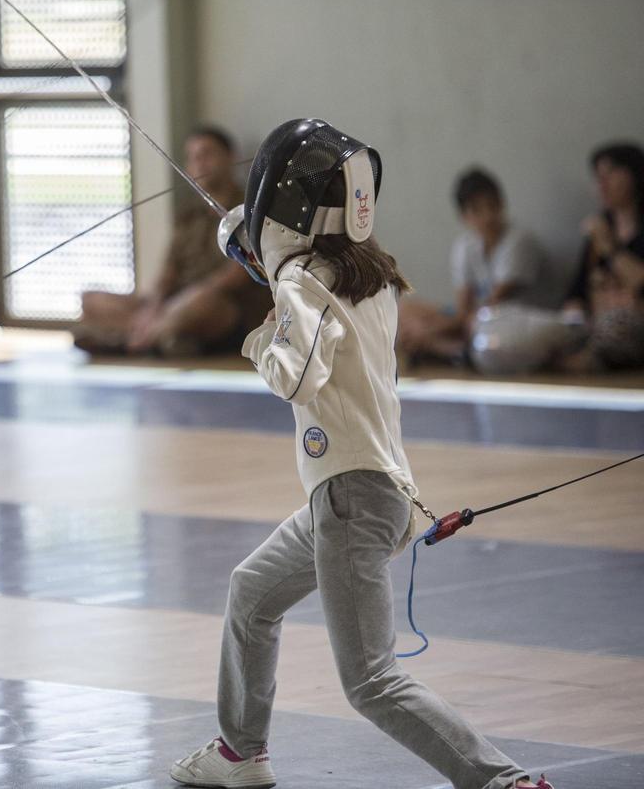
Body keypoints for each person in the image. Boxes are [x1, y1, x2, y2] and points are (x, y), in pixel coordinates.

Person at [169, 119, 554, 789]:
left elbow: (298, 373)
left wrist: (262, 336)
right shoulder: (370, 274)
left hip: (351, 499)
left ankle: (502, 780)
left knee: (371, 678)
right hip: (361, 492)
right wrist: (270, 269)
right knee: (252, 593)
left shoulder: (301, 281)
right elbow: (318, 303)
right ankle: (241, 751)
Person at [74, 126, 272, 357]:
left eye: (207, 154)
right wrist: (154, 306)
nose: (200, 163)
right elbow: (169, 270)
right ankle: (165, 337)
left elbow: (235, 277)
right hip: (175, 302)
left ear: (229, 157)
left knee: (202, 303)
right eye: (193, 157)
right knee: (91, 300)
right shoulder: (188, 214)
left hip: (221, 305)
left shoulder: (250, 210)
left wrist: (180, 303)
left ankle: (130, 340)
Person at [398, 168, 556, 364]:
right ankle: (451, 350)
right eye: (477, 210)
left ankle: (445, 349)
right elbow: (463, 308)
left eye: (491, 205)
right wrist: (429, 326)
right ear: (464, 216)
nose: (487, 216)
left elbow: (490, 307)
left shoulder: (519, 241)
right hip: (474, 320)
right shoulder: (465, 246)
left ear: (501, 203)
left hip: (511, 322)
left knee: (477, 324)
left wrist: (430, 330)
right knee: (404, 311)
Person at [560, 142, 644, 371]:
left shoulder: (604, 235)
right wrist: (574, 315)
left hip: (630, 328)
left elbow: (640, 281)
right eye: (598, 177)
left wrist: (611, 248)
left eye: (610, 174)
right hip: (592, 326)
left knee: (617, 327)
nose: (602, 184)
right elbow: (576, 292)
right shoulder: (597, 229)